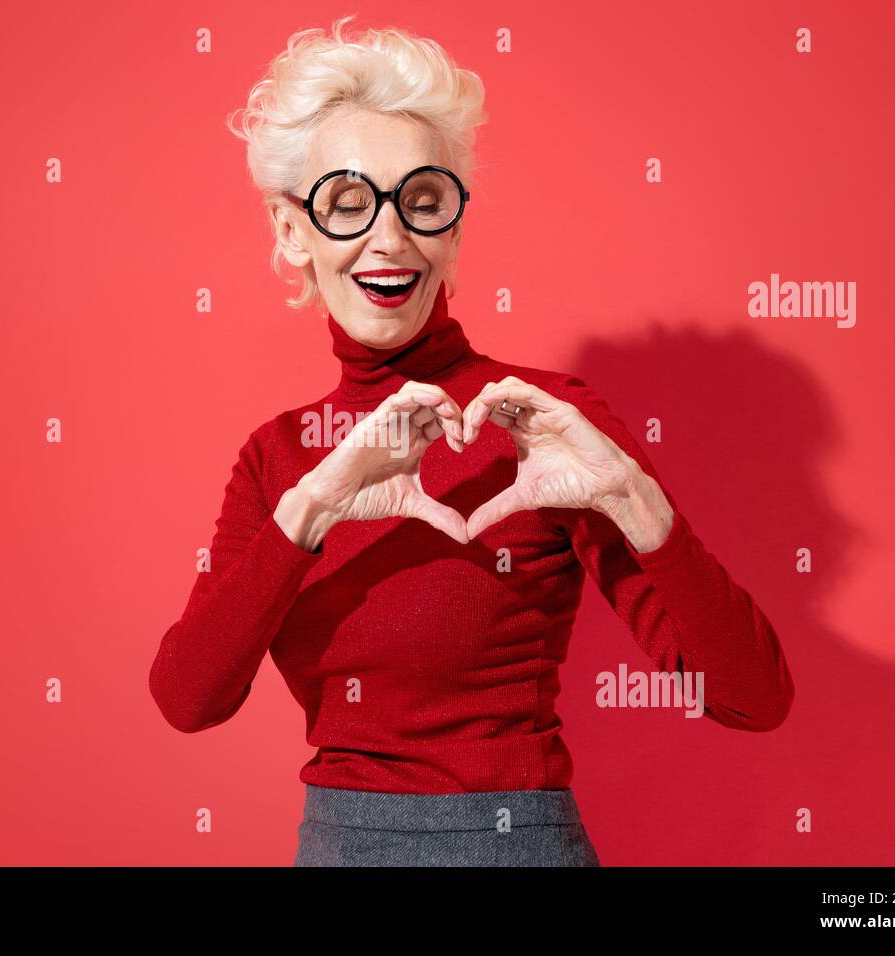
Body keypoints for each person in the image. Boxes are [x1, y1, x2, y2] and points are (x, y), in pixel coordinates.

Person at [148, 16, 794, 866]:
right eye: (347, 203)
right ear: (291, 231)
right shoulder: (279, 459)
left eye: (421, 200)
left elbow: (753, 699)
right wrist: (311, 508)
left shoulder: (544, 421)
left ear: (452, 226)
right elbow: (188, 699)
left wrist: (634, 497)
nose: (389, 237)